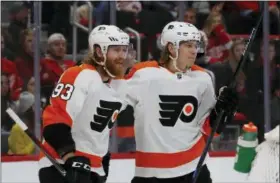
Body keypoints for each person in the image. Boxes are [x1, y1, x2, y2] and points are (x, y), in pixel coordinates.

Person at [120, 21, 238, 183]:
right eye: (188, 45)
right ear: (171, 48)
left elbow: (209, 129)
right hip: (152, 173)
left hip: (194, 168)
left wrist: (222, 112)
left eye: (196, 45)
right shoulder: (143, 74)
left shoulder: (203, 78)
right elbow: (109, 98)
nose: (194, 50)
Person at [38, 25, 130, 183]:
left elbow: (98, 128)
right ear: (99, 51)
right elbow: (54, 122)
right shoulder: (79, 75)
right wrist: (69, 157)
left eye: (124, 49)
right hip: (62, 165)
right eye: (116, 50)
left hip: (94, 168)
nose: (122, 56)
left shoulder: (120, 84)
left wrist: (103, 159)